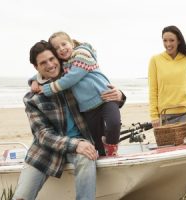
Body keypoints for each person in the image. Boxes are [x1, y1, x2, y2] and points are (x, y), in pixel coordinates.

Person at [12, 40, 125, 200]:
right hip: (45, 151)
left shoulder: (74, 80)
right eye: (43, 63)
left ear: (58, 58)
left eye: (52, 59)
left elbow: (99, 99)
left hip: (83, 143)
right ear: (36, 68)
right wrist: (74, 144)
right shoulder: (33, 98)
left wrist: (119, 95)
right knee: (21, 197)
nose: (50, 65)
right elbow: (43, 135)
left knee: (87, 156)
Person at [31, 31, 121, 156]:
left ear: (72, 43)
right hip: (88, 108)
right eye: (57, 48)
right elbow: (45, 70)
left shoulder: (82, 54)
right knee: (95, 136)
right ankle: (102, 154)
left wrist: (47, 89)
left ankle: (111, 149)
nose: (62, 49)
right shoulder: (65, 64)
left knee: (114, 123)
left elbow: (72, 78)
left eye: (64, 44)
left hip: (105, 97)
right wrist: (34, 80)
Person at [148, 25, 186, 128]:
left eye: (172, 40)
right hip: (165, 114)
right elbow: (153, 89)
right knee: (167, 144)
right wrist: (154, 115)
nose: (168, 44)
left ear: (179, 41)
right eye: (165, 40)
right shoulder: (155, 60)